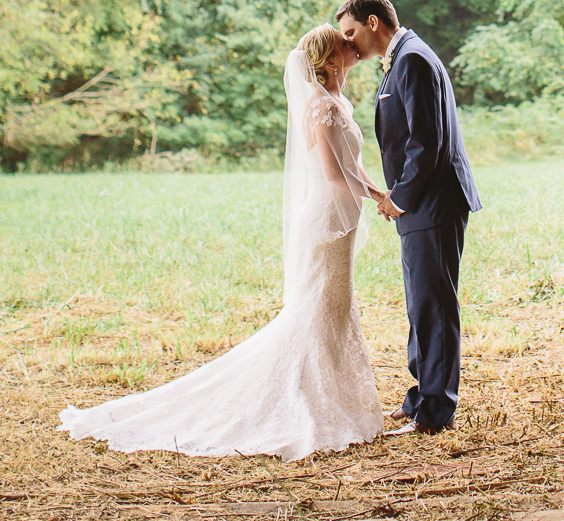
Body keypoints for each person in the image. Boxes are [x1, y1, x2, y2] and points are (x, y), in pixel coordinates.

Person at [60, 24, 386, 461]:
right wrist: (379, 196)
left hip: (343, 216)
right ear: (329, 61)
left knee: (335, 306)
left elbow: (353, 165)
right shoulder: (321, 107)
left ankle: (335, 397)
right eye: (345, 44)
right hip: (327, 217)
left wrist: (377, 191)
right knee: (320, 306)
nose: (353, 47)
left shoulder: (339, 102)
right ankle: (307, 399)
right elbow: (332, 175)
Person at [336, 0, 481, 435]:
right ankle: (421, 398)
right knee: (422, 303)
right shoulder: (402, 59)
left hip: (432, 202)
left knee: (434, 306)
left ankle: (436, 411)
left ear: (374, 22)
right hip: (422, 205)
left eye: (351, 32)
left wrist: (398, 197)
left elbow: (426, 142)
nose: (349, 43)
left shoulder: (413, 59)